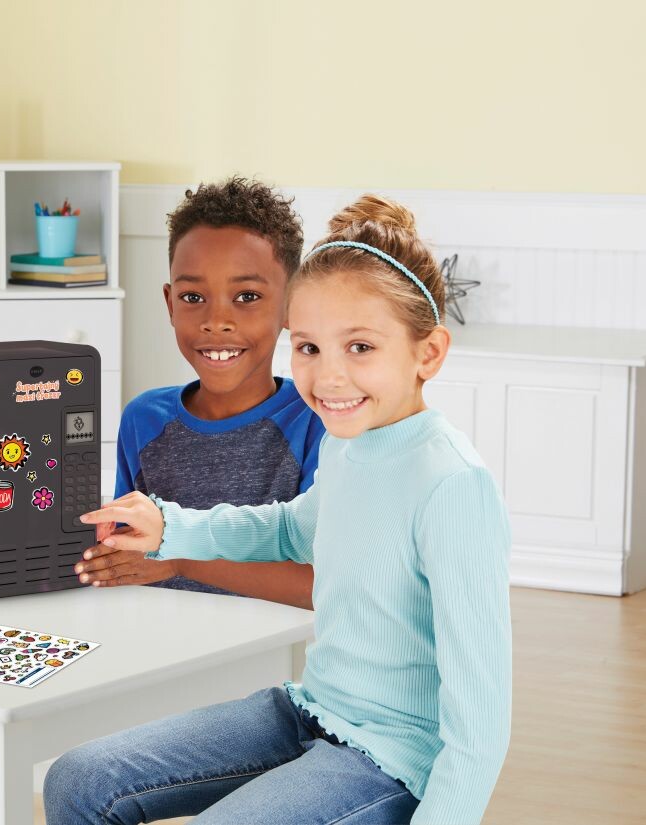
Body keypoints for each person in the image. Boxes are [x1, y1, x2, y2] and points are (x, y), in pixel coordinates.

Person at [46, 195, 512, 825]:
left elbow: (481, 726)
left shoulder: (452, 485)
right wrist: (169, 527)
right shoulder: (350, 445)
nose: (329, 377)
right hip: (312, 711)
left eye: (360, 347)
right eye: (310, 348)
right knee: (79, 781)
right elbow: (293, 529)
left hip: (391, 758)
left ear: (427, 353)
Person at [78, 176, 324, 609]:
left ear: (291, 305)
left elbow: (320, 586)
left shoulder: (316, 422)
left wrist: (178, 559)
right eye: (193, 297)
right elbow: (125, 553)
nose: (216, 321)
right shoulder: (143, 419)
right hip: (156, 637)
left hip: (266, 647)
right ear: (170, 303)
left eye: (246, 296)